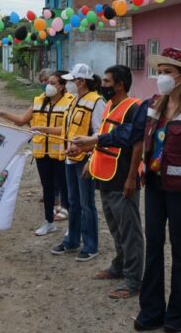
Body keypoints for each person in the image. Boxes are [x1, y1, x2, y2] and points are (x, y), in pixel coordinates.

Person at [73, 48, 181, 333]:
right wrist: (95, 139)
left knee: (179, 249)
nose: (161, 77)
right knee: (153, 247)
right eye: (159, 72)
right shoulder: (152, 105)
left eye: (167, 72)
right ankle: (151, 310)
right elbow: (129, 134)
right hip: (155, 187)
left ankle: (176, 316)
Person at [73, 65, 144, 299]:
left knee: (130, 231)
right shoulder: (110, 105)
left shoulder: (135, 107)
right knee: (115, 227)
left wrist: (132, 177)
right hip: (104, 175)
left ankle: (133, 281)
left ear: (120, 84)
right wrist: (90, 162)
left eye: (106, 81)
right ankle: (120, 266)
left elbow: (136, 143)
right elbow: (102, 137)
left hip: (123, 177)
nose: (102, 85)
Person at [0, 71, 73, 236]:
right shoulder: (39, 100)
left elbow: (69, 129)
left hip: (63, 154)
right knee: (47, 188)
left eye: (53, 83)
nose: (48, 86)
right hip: (42, 153)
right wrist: (1, 113)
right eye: (48, 82)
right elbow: (21, 121)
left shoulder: (71, 102)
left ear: (62, 86)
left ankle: (73, 226)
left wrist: (43, 129)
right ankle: (49, 221)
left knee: (66, 190)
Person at [45, 63, 104, 262]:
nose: (68, 84)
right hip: (70, 158)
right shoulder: (74, 101)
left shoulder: (96, 102)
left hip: (85, 159)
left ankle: (90, 245)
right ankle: (72, 240)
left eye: (71, 81)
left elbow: (99, 134)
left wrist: (89, 154)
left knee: (87, 204)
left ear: (81, 81)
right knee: (73, 202)